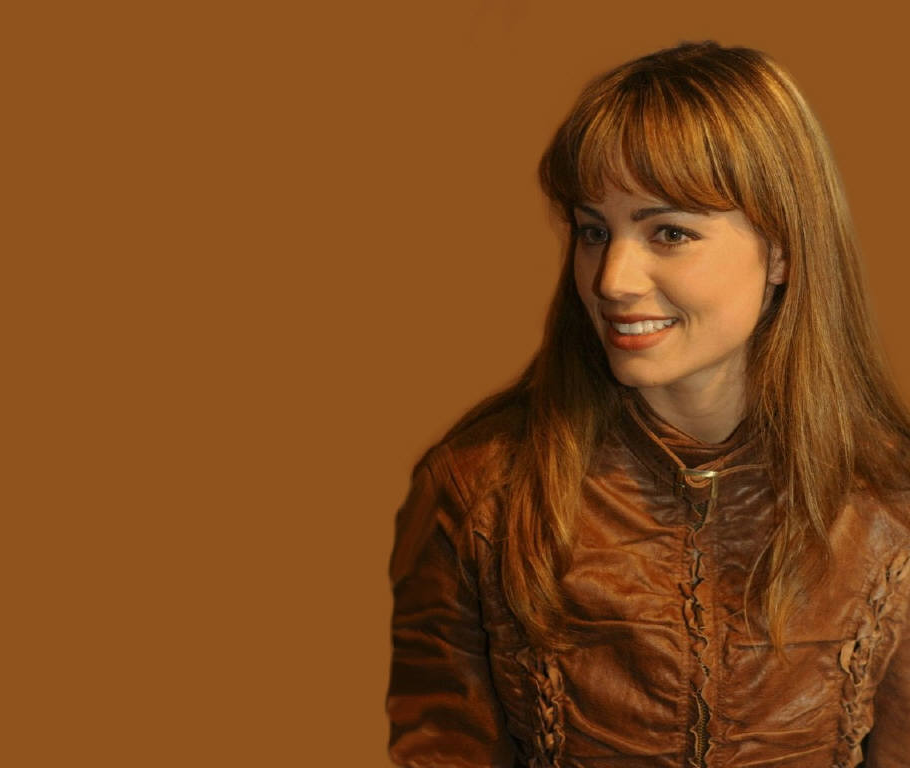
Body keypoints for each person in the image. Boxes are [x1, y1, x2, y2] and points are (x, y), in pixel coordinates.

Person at [385, 41, 910, 767]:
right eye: (594, 231)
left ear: (783, 250)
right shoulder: (477, 491)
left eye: (670, 232)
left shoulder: (891, 498)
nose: (612, 279)